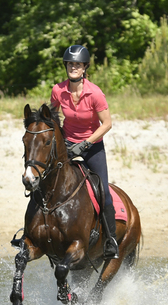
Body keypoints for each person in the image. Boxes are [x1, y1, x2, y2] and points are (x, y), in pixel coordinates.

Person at [49, 44, 119, 259]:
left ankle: (111, 241)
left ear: (85, 67)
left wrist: (86, 143)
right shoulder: (58, 90)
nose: (73, 67)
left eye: (77, 64)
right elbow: (52, 118)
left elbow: (106, 124)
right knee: (46, 179)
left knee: (103, 191)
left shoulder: (95, 93)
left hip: (92, 146)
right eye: (70, 64)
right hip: (68, 146)